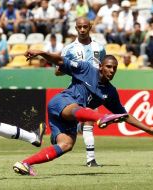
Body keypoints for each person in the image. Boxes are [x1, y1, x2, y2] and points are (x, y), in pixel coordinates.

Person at [12, 51, 153, 176]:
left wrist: (149, 129)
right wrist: (41, 52)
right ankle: (101, 118)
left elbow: (124, 115)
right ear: (100, 66)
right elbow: (60, 61)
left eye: (114, 68)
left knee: (66, 145)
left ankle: (25, 163)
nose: (111, 70)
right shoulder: (86, 68)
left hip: (70, 118)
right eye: (108, 66)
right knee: (77, 108)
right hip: (62, 102)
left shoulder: (110, 93)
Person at [57, 17, 106, 167]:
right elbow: (58, 71)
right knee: (85, 122)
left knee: (90, 122)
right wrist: (72, 67)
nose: (83, 30)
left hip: (94, 90)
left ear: (90, 27)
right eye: (80, 27)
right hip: (77, 90)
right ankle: (78, 127)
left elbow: (102, 68)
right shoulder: (69, 49)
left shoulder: (100, 48)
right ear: (76, 28)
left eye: (85, 27)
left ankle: (90, 159)